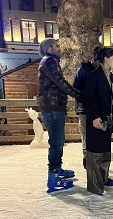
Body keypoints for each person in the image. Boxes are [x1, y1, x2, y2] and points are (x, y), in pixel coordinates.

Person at [37, 38, 81, 193]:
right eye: (56, 45)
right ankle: (53, 177)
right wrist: (79, 95)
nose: (59, 47)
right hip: (52, 106)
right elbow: (60, 82)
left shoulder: (50, 61)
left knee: (59, 140)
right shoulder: (49, 61)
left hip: (54, 106)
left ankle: (58, 169)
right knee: (56, 141)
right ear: (49, 48)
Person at [82, 47, 113, 195]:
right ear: (105, 59)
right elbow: (86, 99)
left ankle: (102, 180)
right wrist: (93, 117)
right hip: (96, 120)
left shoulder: (111, 76)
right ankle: (94, 186)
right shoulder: (93, 76)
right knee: (95, 154)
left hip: (107, 121)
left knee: (105, 153)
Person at [73, 46, 101, 169]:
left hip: (97, 111)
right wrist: (86, 100)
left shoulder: (100, 71)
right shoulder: (83, 71)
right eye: (99, 61)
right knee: (86, 135)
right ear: (93, 59)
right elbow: (75, 89)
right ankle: (87, 159)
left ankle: (95, 161)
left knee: (96, 137)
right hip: (84, 110)